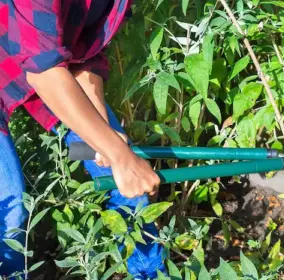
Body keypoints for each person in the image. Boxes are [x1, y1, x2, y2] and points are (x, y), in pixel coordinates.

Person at [0, 0, 165, 278]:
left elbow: (84, 52)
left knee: (123, 185)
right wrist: (120, 156)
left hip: (43, 63)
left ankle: (150, 275)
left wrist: (105, 140)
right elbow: (44, 73)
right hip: (41, 69)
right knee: (10, 212)